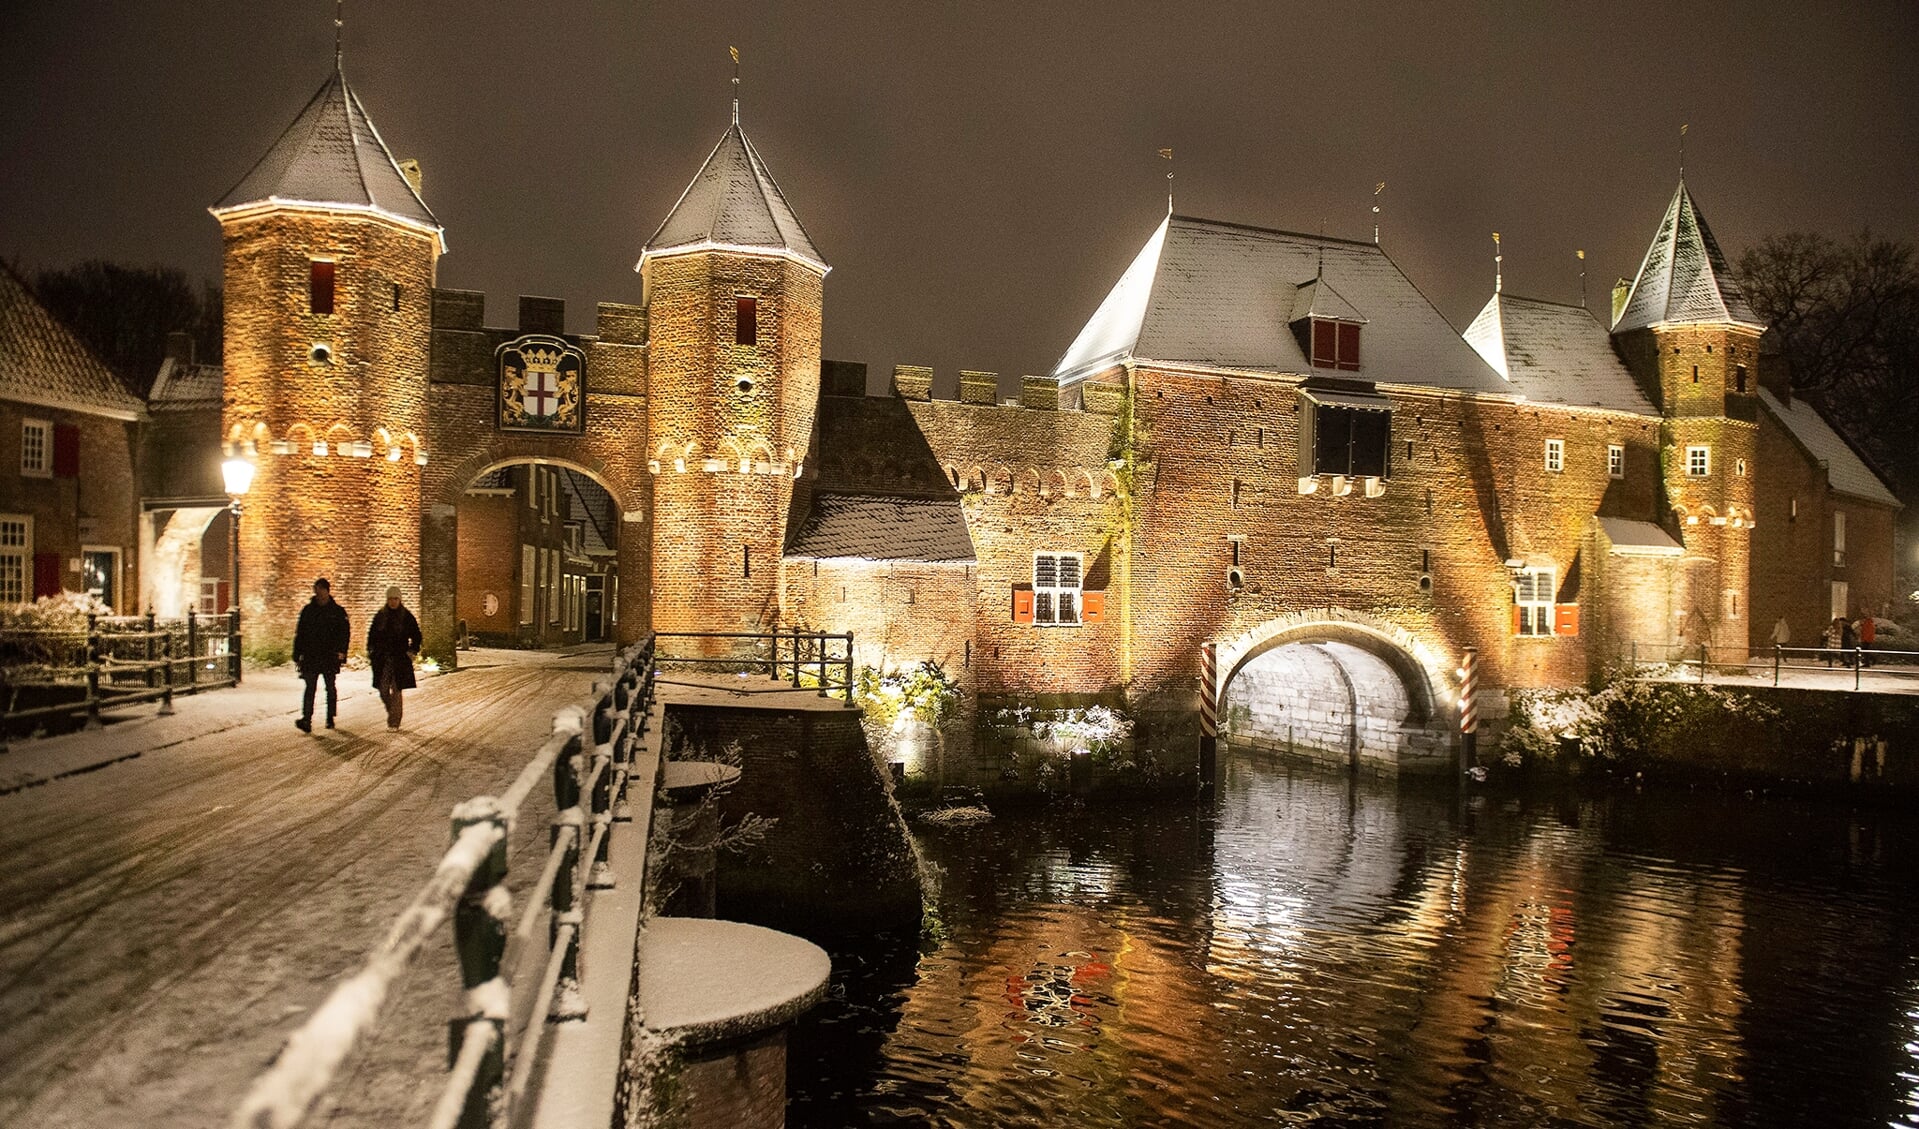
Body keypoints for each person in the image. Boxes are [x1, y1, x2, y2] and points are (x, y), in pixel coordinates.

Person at [291, 577, 348, 732]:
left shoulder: (336, 612)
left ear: (327, 591)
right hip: (312, 655)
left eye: (321, 590)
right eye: (316, 591)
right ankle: (307, 719)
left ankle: (330, 717)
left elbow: (344, 633)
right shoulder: (308, 611)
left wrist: (342, 651)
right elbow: (300, 633)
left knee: (330, 686)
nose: (319, 594)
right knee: (310, 687)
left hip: (329, 655)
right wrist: (297, 654)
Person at [367, 585, 422, 730]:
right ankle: (393, 711)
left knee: (397, 690)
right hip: (383, 658)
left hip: (399, 658)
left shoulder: (406, 616)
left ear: (399, 599)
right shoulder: (381, 616)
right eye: (390, 599)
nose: (393, 602)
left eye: (395, 599)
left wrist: (412, 651)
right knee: (383, 688)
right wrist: (372, 651)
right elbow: (372, 635)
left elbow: (416, 635)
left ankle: (394, 722)